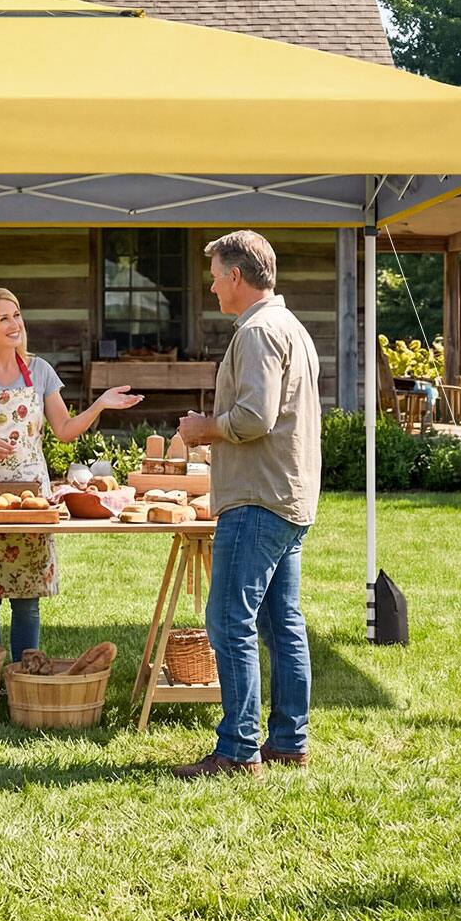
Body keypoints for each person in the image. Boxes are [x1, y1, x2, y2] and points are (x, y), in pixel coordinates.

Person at [172, 230, 321, 778]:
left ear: (237, 275)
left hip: (257, 498)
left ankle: (236, 750)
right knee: (282, 621)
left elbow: (255, 418)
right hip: (289, 494)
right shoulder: (292, 327)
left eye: (214, 276)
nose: (211, 287)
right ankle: (288, 740)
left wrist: (202, 429)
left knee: (229, 620)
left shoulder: (258, 332)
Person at [0, 287, 142, 660]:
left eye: (16, 314)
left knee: (27, 599)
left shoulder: (39, 371)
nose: (15, 323)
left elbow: (64, 430)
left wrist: (99, 404)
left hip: (29, 500)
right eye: (4, 317)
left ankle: (24, 677)